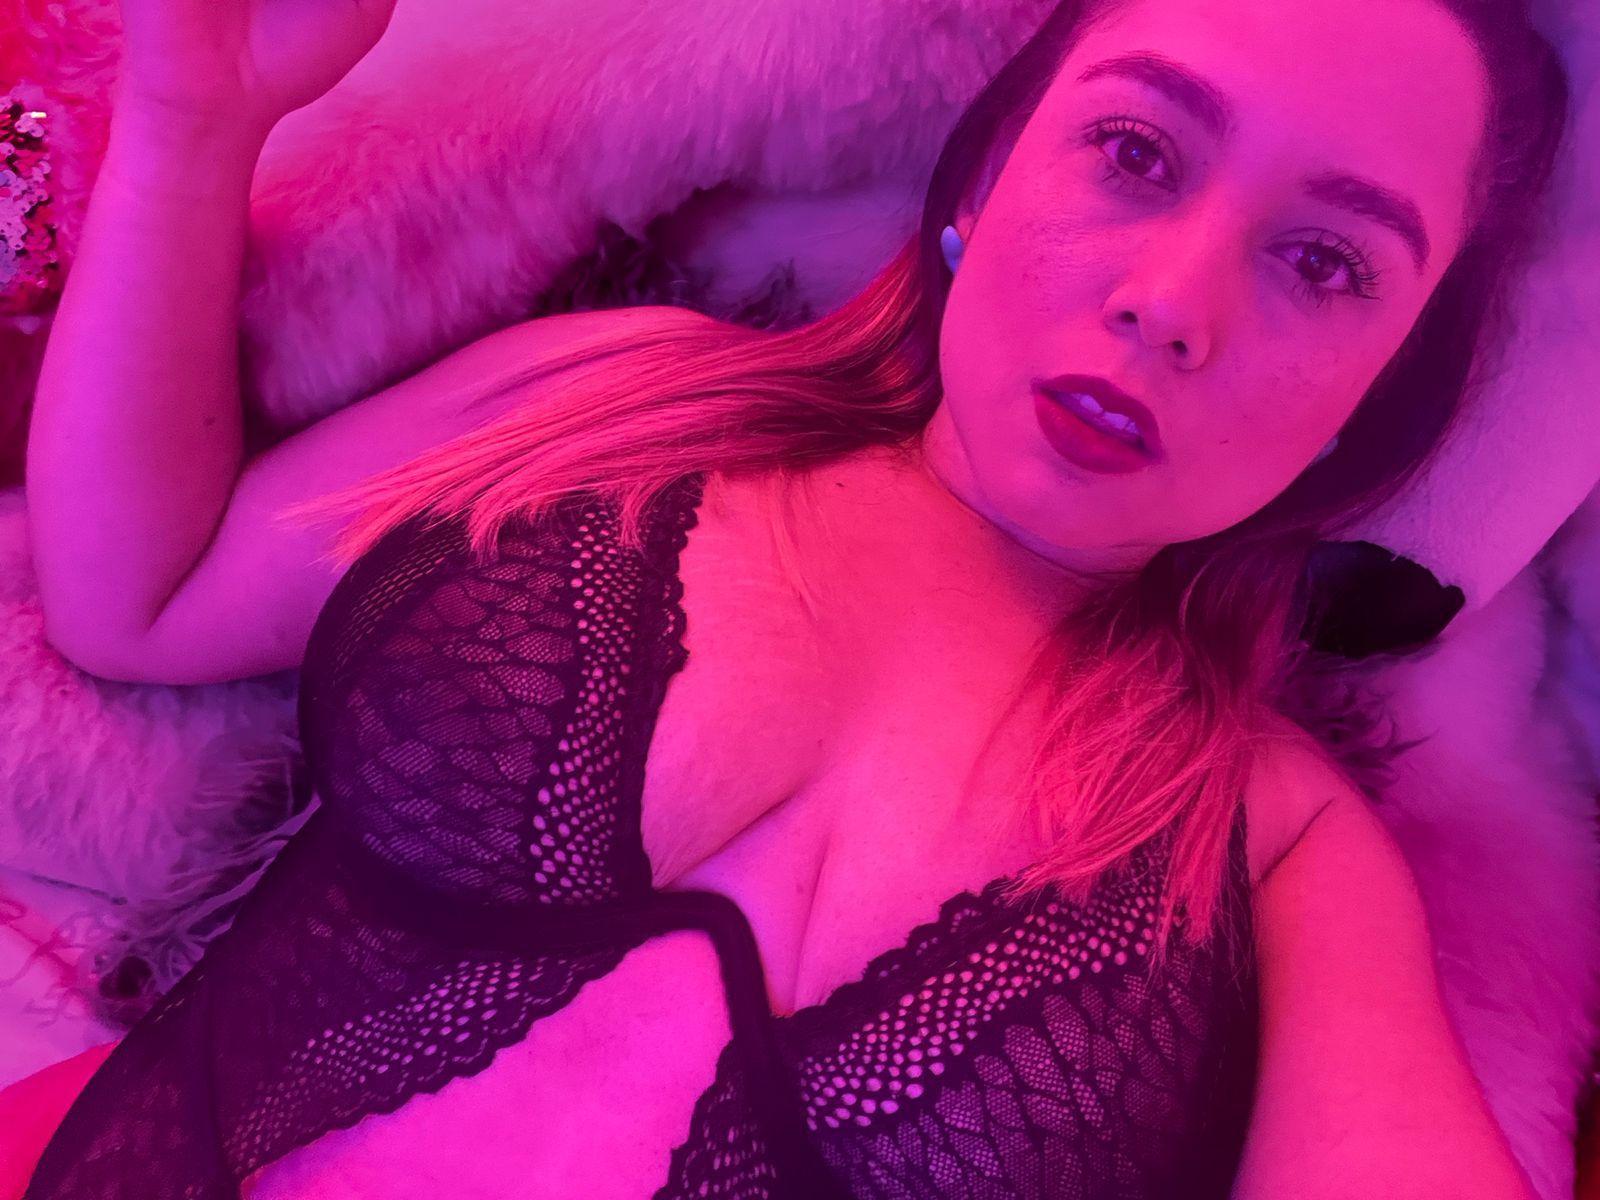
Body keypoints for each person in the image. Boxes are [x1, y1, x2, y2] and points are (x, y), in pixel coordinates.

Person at [8, 0, 1570, 1194]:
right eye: (1136, 153)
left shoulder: (1277, 850)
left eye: (1324, 264)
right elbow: (141, 594)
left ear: (1376, 400)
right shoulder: (634, 405)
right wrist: (192, 115)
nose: (1171, 304)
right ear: (987, 178)